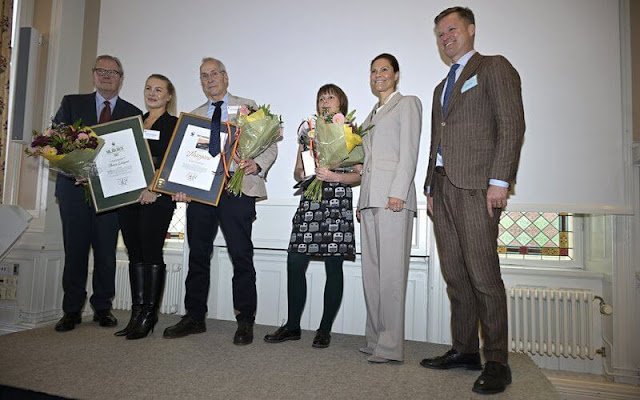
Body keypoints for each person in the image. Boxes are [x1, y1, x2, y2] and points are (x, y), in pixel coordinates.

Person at [421, 7, 525, 395]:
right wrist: (430, 187)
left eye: (451, 30)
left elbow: (511, 124)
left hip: (479, 187)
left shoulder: (493, 67)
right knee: (455, 276)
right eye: (440, 34)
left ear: (471, 30)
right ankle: (465, 351)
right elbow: (437, 141)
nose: (445, 38)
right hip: (444, 187)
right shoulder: (440, 87)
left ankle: (496, 360)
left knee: (483, 277)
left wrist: (499, 181)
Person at [163, 57, 278, 345]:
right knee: (198, 255)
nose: (209, 79)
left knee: (241, 255)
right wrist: (181, 187)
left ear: (226, 77)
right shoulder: (193, 116)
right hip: (202, 194)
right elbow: (183, 159)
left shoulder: (248, 106)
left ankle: (245, 320)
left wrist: (257, 164)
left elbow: (270, 144)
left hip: (236, 189)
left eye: (214, 74)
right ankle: (194, 317)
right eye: (204, 76)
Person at [264, 84, 361, 348]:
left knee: (334, 266)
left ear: (341, 102)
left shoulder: (350, 130)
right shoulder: (309, 130)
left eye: (330, 97)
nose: (325, 101)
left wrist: (334, 175)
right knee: (295, 262)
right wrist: (306, 172)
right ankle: (292, 326)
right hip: (311, 199)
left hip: (337, 201)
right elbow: (297, 170)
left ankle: (324, 329)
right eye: (321, 98)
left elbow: (360, 174)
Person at [54, 55, 142, 332]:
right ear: (93, 74)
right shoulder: (72, 103)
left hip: (111, 198)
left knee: (106, 253)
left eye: (112, 72)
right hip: (73, 191)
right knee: (75, 252)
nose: (106, 76)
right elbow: (55, 144)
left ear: (121, 78)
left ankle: (103, 308)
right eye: (101, 71)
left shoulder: (133, 113)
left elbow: (134, 159)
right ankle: (71, 311)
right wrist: (73, 170)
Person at [357, 53, 422, 363]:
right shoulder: (370, 115)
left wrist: (398, 193)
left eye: (384, 69)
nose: (378, 75)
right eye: (373, 71)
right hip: (370, 200)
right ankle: (375, 339)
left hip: (393, 200)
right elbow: (367, 163)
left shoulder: (407, 103)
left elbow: (409, 152)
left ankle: (391, 346)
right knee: (372, 275)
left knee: (391, 276)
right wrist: (361, 200)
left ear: (396, 75)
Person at [114, 74, 178, 340]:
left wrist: (153, 187)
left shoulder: (174, 124)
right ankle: (136, 313)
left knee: (151, 253)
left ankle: (149, 315)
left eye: (159, 89)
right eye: (148, 88)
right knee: (134, 254)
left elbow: (173, 161)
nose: (152, 94)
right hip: (129, 198)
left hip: (157, 199)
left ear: (168, 96)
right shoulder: (134, 123)